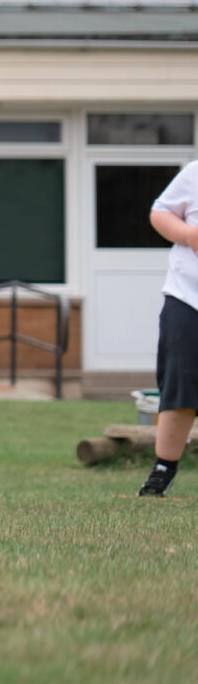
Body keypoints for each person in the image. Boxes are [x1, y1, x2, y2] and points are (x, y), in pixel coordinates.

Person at [139, 160, 198, 497]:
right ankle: (163, 470)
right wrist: (188, 235)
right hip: (187, 297)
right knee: (180, 385)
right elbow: (160, 213)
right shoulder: (194, 173)